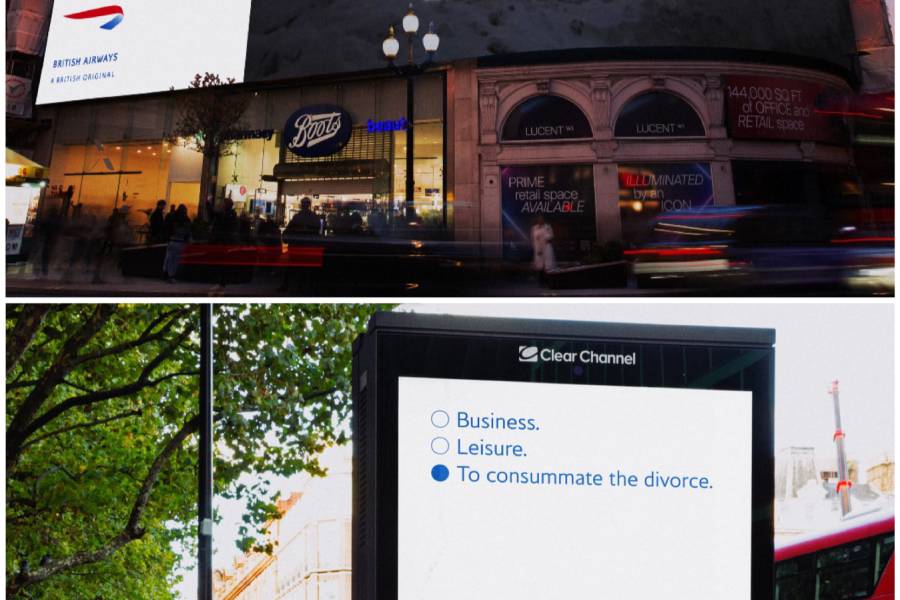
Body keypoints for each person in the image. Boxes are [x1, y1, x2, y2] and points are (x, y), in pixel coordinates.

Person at [163, 204, 191, 282]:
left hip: (172, 241)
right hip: (180, 242)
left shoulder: (172, 217)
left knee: (169, 258)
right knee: (175, 260)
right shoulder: (186, 219)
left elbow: (167, 228)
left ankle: (166, 273)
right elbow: (188, 231)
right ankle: (171, 276)